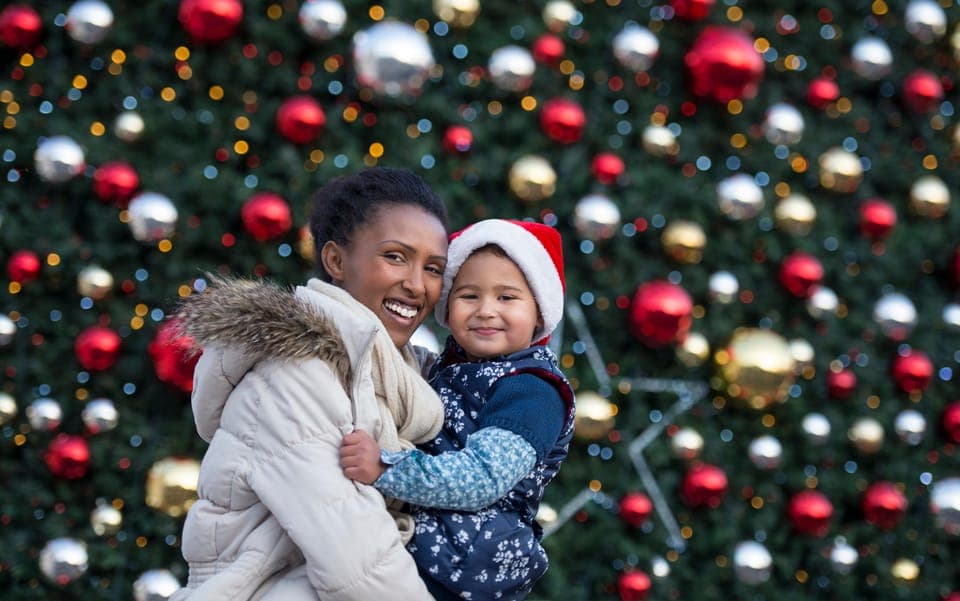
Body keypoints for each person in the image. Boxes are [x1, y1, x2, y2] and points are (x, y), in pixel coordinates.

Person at [171, 167, 449, 601]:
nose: (416, 285)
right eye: (395, 256)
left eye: (433, 268)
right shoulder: (293, 370)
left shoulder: (406, 381)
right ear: (336, 260)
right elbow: (354, 558)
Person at [340, 218, 576, 601]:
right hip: (430, 537)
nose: (485, 310)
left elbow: (481, 477)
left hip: (467, 560)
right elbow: (401, 373)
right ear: (448, 308)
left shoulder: (533, 389)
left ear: (539, 312)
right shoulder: (451, 366)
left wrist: (384, 468)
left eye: (506, 298)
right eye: (469, 296)